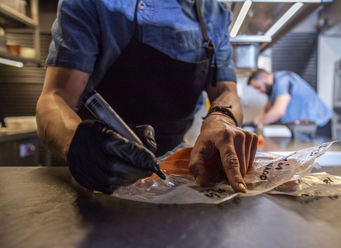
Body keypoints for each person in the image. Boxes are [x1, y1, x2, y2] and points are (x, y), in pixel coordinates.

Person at [36, 0, 258, 194]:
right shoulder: (94, 3)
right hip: (101, 175)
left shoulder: (214, 13)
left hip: (177, 176)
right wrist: (76, 144)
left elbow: (226, 92)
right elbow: (55, 98)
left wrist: (222, 118)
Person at [247, 69, 333, 137]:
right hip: (303, 127)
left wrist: (256, 123)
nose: (259, 91)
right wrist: (255, 121)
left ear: (265, 77)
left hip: (319, 125)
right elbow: (267, 107)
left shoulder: (283, 80)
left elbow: (278, 112)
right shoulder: (273, 87)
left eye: (258, 87)